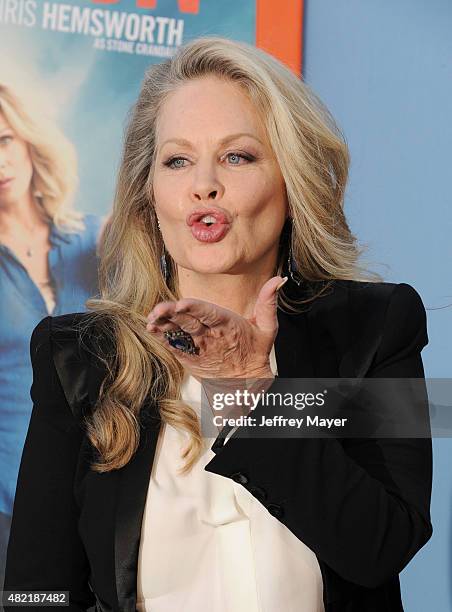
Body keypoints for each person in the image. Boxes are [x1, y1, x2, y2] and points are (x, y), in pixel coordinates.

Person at [4, 37, 432, 612]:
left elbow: (382, 547)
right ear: (148, 194)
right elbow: (37, 591)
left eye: (238, 156)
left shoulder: (375, 327)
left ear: (292, 179)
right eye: (177, 160)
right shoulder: (79, 356)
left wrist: (255, 395)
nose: (203, 184)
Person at [0, 74, 107, 592]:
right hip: (8, 504)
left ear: (26, 141)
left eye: (3, 141)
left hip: (105, 484)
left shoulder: (95, 237)